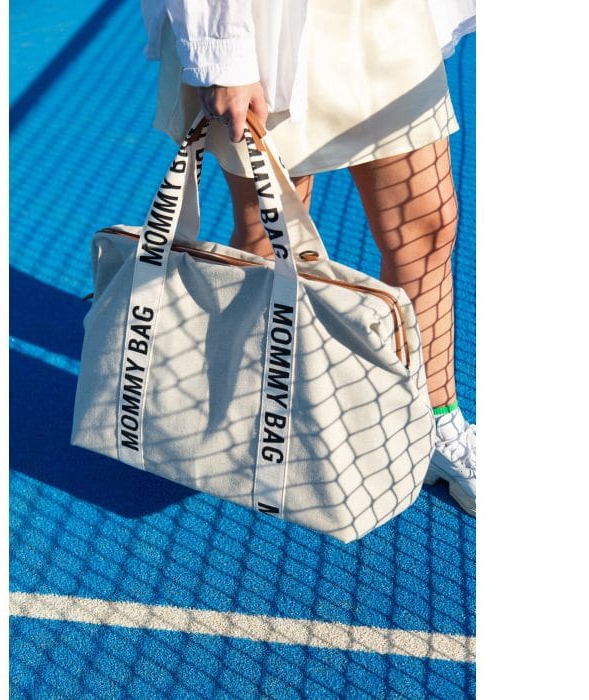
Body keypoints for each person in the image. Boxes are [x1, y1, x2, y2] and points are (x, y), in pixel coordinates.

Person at [140, 0, 476, 517]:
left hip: (384, 15)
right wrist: (224, 51)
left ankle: (432, 419)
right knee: (270, 236)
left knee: (427, 225)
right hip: (266, 24)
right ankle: (256, 408)